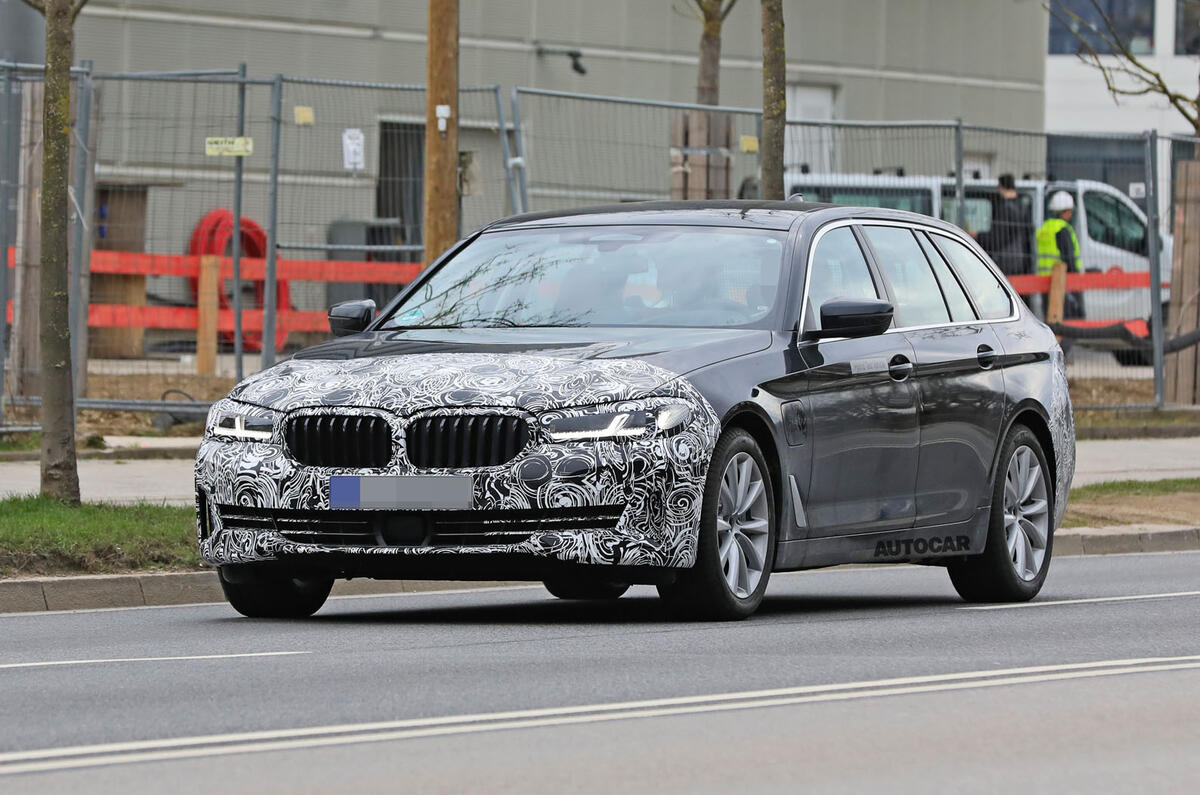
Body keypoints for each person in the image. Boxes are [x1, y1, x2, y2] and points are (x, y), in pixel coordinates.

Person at [1037, 190, 1085, 321]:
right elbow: (1069, 259)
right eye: (1070, 211)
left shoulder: (1045, 228)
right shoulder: (1062, 229)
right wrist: (1076, 281)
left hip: (1044, 283)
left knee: (1050, 320)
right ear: (1065, 211)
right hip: (1061, 283)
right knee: (1067, 322)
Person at [978, 174, 1033, 276]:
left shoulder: (1005, 208)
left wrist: (977, 236)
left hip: (1007, 263)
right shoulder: (1024, 207)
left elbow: (997, 239)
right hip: (1023, 262)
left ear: (1000, 186)